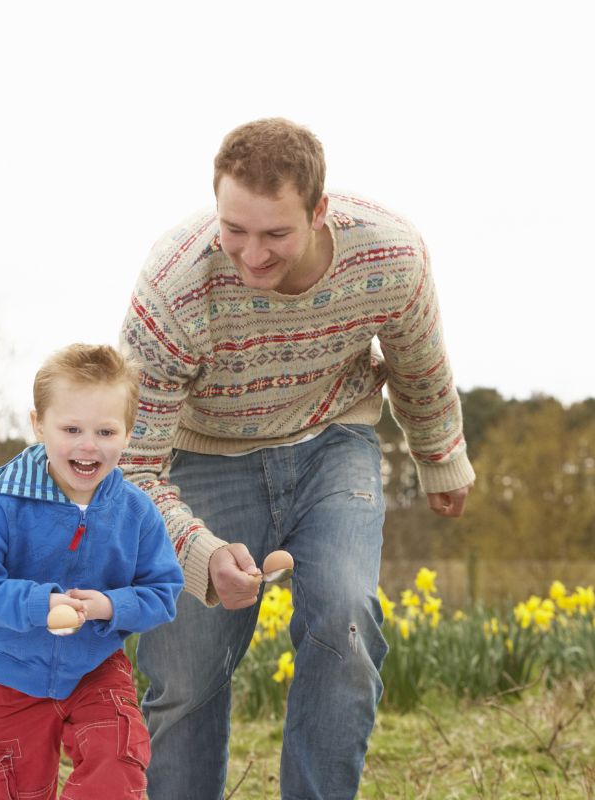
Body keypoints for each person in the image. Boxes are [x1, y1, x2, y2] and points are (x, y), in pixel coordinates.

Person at [119, 118, 475, 800]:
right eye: (235, 230)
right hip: (206, 455)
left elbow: (417, 358)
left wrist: (439, 454)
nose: (251, 255)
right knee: (187, 676)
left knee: (344, 618)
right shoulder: (174, 288)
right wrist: (196, 550)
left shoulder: (389, 256)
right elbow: (133, 469)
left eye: (275, 234)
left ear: (319, 211)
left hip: (331, 438)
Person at [0, 344, 184, 799]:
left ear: (128, 433)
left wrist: (111, 605)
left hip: (96, 667)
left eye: (105, 431)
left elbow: (164, 591)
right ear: (39, 425)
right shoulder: (7, 503)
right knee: (16, 789)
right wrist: (42, 604)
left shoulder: (136, 511)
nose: (88, 445)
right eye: (71, 428)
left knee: (118, 760)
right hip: (10, 673)